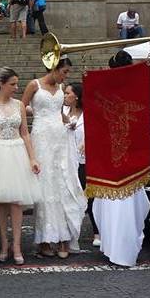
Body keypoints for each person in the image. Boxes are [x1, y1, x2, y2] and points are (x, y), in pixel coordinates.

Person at [21, 57, 86, 259]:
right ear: (54, 68)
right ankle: (45, 239)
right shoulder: (34, 85)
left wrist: (70, 122)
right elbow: (21, 108)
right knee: (45, 186)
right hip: (41, 137)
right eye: (64, 71)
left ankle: (63, 237)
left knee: (61, 184)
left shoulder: (61, 87)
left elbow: (59, 113)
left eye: (67, 73)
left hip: (60, 138)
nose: (66, 76)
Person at [91, 51, 150, 267]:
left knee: (114, 202)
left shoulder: (105, 89)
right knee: (127, 203)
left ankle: (115, 247)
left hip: (116, 149)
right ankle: (121, 248)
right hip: (128, 150)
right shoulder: (138, 87)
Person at [0, 67, 41, 265]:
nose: (16, 87)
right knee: (1, 202)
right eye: (13, 84)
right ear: (1, 84)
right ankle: (4, 244)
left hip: (16, 151)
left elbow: (25, 133)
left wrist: (32, 158)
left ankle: (16, 246)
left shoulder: (19, 106)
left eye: (17, 83)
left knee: (17, 202)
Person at [63, 82, 99, 251]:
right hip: (67, 160)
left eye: (67, 93)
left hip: (85, 160)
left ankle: (97, 232)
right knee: (70, 195)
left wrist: (87, 142)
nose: (64, 96)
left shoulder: (88, 113)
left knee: (89, 194)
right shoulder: (62, 112)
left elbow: (95, 132)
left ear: (76, 96)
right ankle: (70, 233)